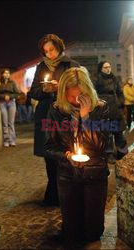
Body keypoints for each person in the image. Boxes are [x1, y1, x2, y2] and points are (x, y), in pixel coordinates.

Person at [44, 67, 125, 247]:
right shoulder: (56, 110)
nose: (75, 101)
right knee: (71, 232)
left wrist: (86, 117)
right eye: (71, 97)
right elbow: (48, 146)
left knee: (93, 233)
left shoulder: (101, 108)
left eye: (80, 96)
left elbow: (102, 146)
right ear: (63, 93)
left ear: (88, 91)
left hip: (94, 174)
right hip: (67, 174)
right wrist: (66, 155)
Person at [28, 34, 79, 206]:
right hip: (45, 115)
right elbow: (33, 92)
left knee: (65, 153)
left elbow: (80, 90)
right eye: (46, 51)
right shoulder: (41, 66)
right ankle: (52, 193)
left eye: (52, 49)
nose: (49, 54)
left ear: (59, 47)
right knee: (49, 155)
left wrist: (61, 88)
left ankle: (67, 192)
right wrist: (45, 89)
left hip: (65, 114)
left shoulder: (71, 65)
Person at [95, 61, 127, 160]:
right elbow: (93, 93)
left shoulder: (114, 79)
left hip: (116, 109)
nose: (108, 69)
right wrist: (99, 103)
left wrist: (121, 102)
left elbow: (120, 92)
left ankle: (122, 152)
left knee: (119, 133)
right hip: (104, 109)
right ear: (101, 69)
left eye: (109, 67)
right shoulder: (97, 79)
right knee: (106, 133)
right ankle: (109, 154)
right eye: (105, 67)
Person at [0, 69, 20, 147]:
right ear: (2, 74)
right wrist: (4, 96)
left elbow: (17, 93)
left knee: (11, 123)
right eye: (5, 73)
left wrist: (9, 96)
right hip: (2, 103)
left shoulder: (12, 83)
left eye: (8, 73)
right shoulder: (0, 83)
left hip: (11, 103)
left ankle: (12, 140)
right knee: (4, 123)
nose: (7, 74)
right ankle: (6, 140)